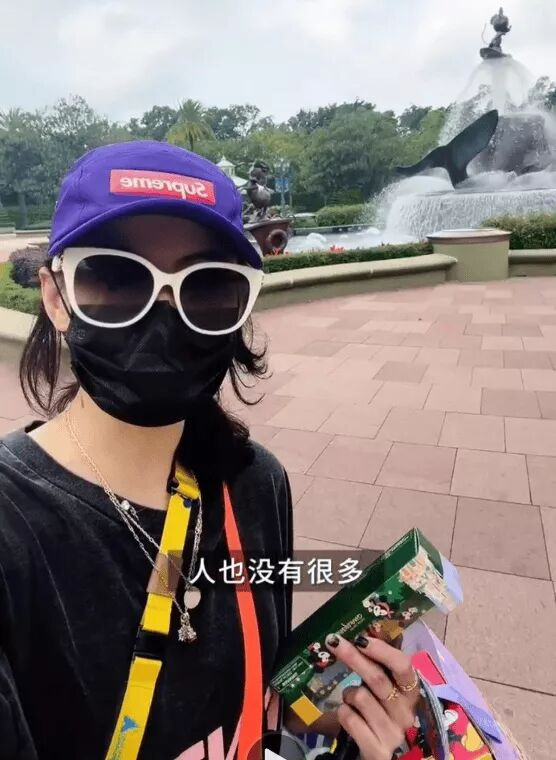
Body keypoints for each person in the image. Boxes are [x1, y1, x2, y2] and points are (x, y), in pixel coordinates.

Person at [0, 142, 420, 760]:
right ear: (55, 296)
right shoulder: (12, 531)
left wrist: (337, 719)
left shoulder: (253, 484)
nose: (164, 316)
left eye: (208, 285)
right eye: (116, 277)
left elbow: (256, 707)